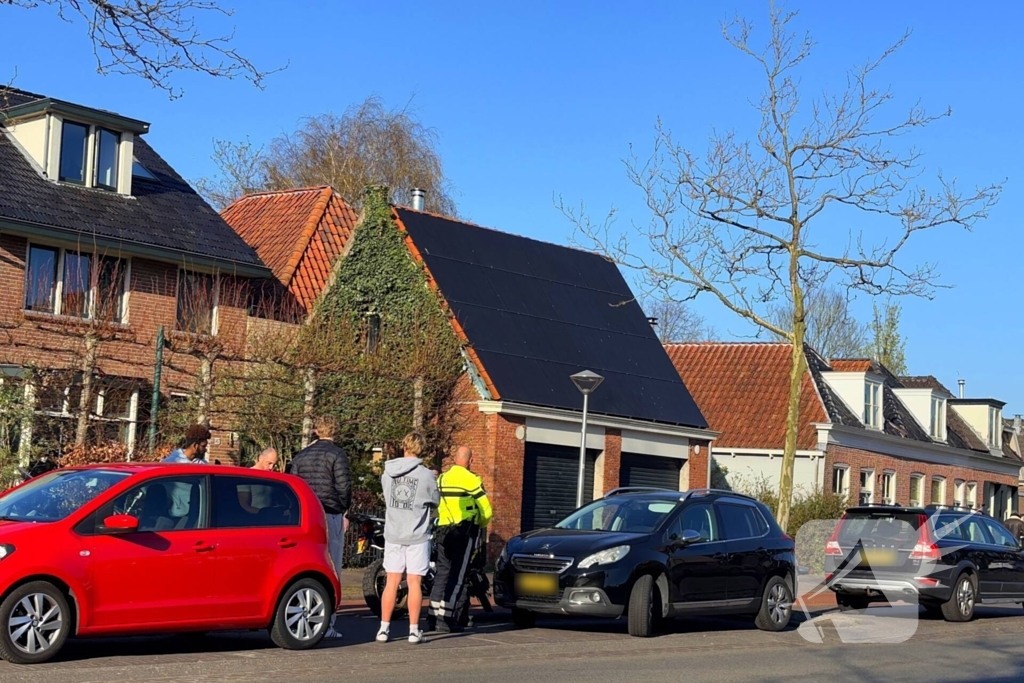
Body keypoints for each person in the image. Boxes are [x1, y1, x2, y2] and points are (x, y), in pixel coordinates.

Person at [289, 416, 350, 639]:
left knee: (306, 563)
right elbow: (344, 487)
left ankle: (306, 615)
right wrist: (343, 508)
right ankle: (328, 623)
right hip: (330, 513)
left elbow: (293, 483)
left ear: (316, 431)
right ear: (335, 430)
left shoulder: (301, 455)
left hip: (307, 515)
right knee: (332, 566)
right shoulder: (338, 455)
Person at [377, 431, 439, 645]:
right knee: (414, 582)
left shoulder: (388, 473)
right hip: (417, 535)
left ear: (404, 446)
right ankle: (413, 631)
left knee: (391, 581)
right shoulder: (426, 475)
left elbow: (387, 497)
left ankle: (383, 629)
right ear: (421, 449)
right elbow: (435, 501)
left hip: (394, 533)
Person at [428, 446, 492, 633]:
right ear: (471, 460)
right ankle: (446, 619)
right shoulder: (472, 480)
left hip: (443, 532)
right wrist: (479, 524)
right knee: (458, 576)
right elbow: (486, 511)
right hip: (463, 533)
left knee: (441, 574)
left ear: (455, 459)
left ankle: (432, 616)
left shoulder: (442, 478)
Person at [160, 423, 210, 519]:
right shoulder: (171, 463)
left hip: (198, 514)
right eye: (203, 446)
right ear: (195, 445)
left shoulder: (202, 464)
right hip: (174, 515)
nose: (205, 450)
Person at [238, 447, 278, 513]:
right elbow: (243, 505)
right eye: (269, 463)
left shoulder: (272, 479)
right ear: (261, 458)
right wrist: (262, 513)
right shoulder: (247, 476)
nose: (271, 467)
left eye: (274, 464)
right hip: (254, 516)